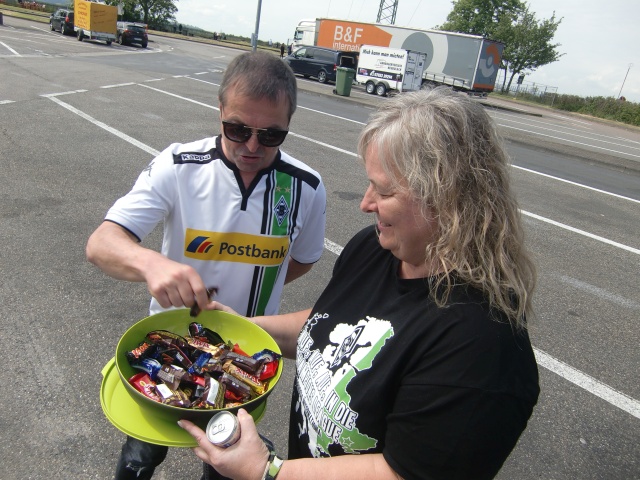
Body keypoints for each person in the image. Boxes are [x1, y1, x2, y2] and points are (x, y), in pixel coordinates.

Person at [179, 86, 540, 480]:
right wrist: (241, 329)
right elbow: (330, 323)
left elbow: (403, 473)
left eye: (384, 191)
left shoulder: (482, 344)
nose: (366, 203)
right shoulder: (376, 248)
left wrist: (266, 471)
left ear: (447, 199)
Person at [86, 51, 327, 480]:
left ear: (289, 123)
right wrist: (150, 264)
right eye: (238, 129)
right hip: (172, 345)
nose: (252, 146)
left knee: (226, 465)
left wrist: (257, 294)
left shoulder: (306, 187)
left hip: (246, 353)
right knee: (141, 455)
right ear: (219, 110)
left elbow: (303, 261)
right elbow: (102, 243)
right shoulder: (179, 165)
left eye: (271, 135)